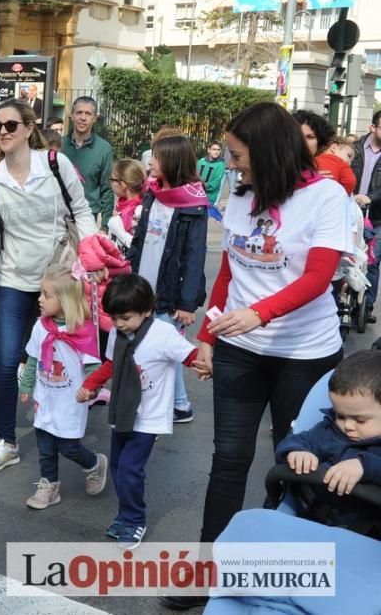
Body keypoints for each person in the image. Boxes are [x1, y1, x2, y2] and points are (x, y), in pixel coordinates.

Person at [160, 102, 350, 611]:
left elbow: (318, 277)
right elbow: (230, 270)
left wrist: (259, 314)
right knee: (228, 460)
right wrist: (208, 335)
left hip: (304, 354)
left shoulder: (327, 197)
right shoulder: (241, 195)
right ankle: (208, 572)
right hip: (239, 349)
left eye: (239, 156)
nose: (232, 164)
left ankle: (285, 572)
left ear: (267, 151)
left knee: (296, 463)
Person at [0, 99, 97, 473]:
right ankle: (7, 441)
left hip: (60, 279)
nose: (3, 132)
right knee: (6, 362)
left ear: (28, 128)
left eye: (11, 125)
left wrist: (89, 258)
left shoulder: (54, 164)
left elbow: (82, 211)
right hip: (15, 280)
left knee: (66, 359)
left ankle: (69, 430)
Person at [78, 273, 202, 550]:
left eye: (126, 318)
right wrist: (90, 385)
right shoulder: (118, 334)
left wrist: (204, 366)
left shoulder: (162, 334)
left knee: (130, 470)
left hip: (149, 416)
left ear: (147, 310)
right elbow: (110, 365)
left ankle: (135, 520)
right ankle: (125, 516)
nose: (119, 324)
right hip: (122, 412)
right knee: (119, 468)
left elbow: (189, 355)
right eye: (115, 318)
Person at [128, 135, 208, 423]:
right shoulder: (153, 193)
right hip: (144, 282)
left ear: (172, 162)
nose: (150, 162)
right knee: (163, 348)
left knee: (159, 347)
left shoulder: (193, 203)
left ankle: (166, 405)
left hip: (170, 291)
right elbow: (140, 237)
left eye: (157, 158)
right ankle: (179, 404)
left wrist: (187, 303)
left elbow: (195, 255)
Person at [18, 264, 107, 510]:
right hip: (45, 397)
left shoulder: (83, 330)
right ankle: (49, 485)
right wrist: (26, 385)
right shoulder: (40, 326)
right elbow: (33, 358)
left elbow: (92, 366)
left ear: (66, 300)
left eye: (47, 295)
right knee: (45, 445)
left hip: (71, 400)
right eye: (41, 293)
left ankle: (93, 463)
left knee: (68, 446)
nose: (40, 299)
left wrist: (92, 388)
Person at [276, 350, 381, 533]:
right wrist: (296, 452)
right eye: (340, 415)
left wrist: (366, 466)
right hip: (311, 522)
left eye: (360, 420)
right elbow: (296, 441)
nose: (347, 425)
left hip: (368, 535)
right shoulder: (329, 431)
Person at [61, 96, 115, 224]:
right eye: (79, 112)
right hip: (59, 214)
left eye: (88, 113)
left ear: (95, 118)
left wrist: (105, 225)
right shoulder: (59, 145)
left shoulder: (104, 149)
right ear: (72, 115)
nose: (83, 118)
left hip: (87, 216)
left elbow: (107, 189)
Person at [351, 111, 381, 323]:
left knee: (372, 261)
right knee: (347, 257)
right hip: (350, 213)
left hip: (377, 217)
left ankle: (366, 307)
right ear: (373, 128)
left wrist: (370, 198)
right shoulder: (355, 149)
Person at [106, 158, 147, 253]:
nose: (111, 183)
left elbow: (141, 247)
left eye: (112, 179)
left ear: (123, 184)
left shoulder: (139, 211)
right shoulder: (122, 207)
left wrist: (118, 228)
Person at [197, 140, 226, 206]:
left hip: (209, 199)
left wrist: (198, 186)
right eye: (214, 149)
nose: (216, 152)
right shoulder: (201, 162)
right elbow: (194, 177)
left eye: (218, 150)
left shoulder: (220, 165)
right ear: (208, 150)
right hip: (196, 196)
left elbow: (213, 185)